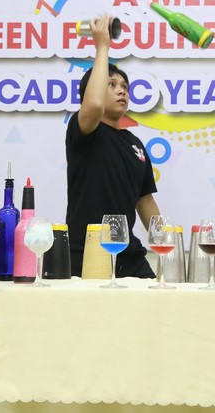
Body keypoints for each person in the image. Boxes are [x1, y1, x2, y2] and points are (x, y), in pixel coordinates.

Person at [66, 14, 161, 279]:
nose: (122, 91)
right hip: (87, 252)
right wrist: (102, 47)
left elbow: (145, 200)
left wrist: (164, 243)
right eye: (111, 85)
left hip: (128, 254)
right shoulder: (84, 129)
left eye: (124, 87)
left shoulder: (135, 144)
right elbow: (94, 105)